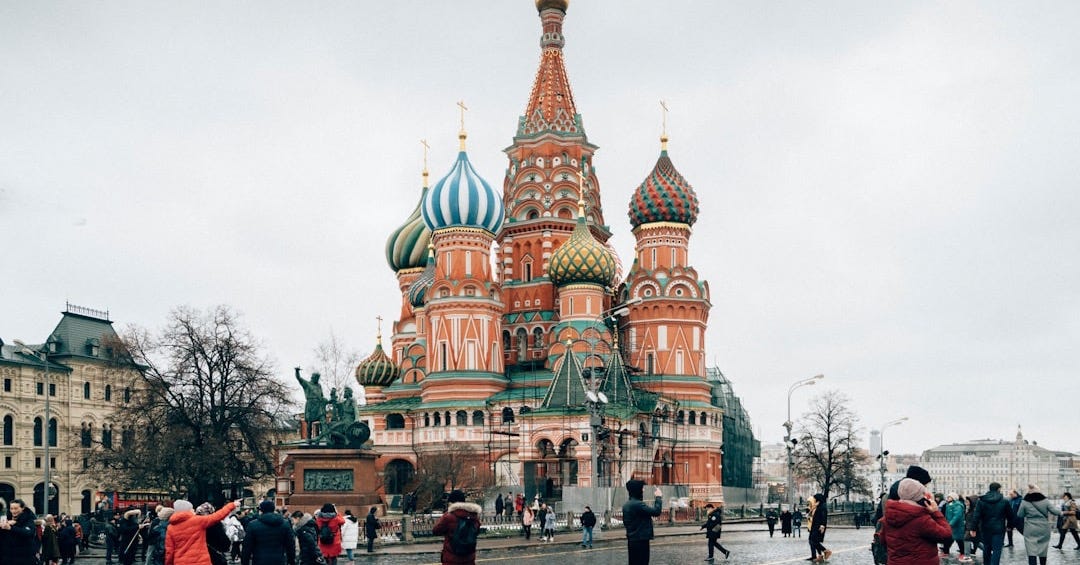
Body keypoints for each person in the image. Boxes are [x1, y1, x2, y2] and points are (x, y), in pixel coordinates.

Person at [880, 478, 951, 565]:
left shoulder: (888, 517)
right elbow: (946, 536)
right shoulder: (922, 520)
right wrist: (935, 512)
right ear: (919, 496)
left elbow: (883, 541)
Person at [165, 499, 240, 565]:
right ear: (187, 510)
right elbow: (217, 516)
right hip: (200, 561)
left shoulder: (170, 528)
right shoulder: (197, 521)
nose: (193, 510)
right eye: (191, 509)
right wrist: (232, 505)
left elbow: (169, 551)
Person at [970, 481, 1015, 565]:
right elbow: (1010, 516)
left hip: (986, 528)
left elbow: (976, 516)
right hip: (999, 529)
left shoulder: (982, 501)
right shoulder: (1004, 501)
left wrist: (973, 528)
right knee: (997, 550)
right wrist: (1009, 526)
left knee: (986, 548)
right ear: (998, 489)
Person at [432, 489, 482, 565]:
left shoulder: (448, 517)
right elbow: (477, 531)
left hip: (452, 559)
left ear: (451, 502)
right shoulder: (473, 516)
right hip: (469, 558)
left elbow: (435, 530)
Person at [240, 500, 295, 565]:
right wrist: (291, 561)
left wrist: (244, 562)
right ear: (273, 509)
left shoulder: (253, 525)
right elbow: (290, 545)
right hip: (278, 560)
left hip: (259, 561)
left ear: (261, 510)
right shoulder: (285, 524)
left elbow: (247, 547)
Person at [621, 479, 663, 565]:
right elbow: (656, 511)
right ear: (637, 490)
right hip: (640, 540)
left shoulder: (627, 505)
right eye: (642, 488)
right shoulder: (638, 505)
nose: (643, 490)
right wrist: (658, 497)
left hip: (633, 540)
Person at [1018, 484, 1061, 565]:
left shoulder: (1024, 501)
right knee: (1043, 548)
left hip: (1030, 527)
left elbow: (1020, 514)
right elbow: (1055, 512)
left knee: (1031, 550)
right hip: (1044, 527)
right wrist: (1064, 512)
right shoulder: (1045, 501)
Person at [0, 499, 38, 565]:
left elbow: (28, 533)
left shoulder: (28, 519)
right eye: (11, 508)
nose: (13, 511)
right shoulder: (6, 518)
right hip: (8, 558)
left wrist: (11, 527)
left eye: (16, 508)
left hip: (24, 558)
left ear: (22, 508)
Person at [942, 492, 968, 560]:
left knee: (959, 540)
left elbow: (957, 516)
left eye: (949, 497)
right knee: (948, 539)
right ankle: (946, 552)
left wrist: (950, 524)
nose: (947, 498)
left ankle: (962, 553)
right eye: (947, 497)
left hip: (957, 526)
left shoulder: (958, 505)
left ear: (953, 498)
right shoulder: (948, 504)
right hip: (950, 525)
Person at [808, 493, 830, 562]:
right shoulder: (818, 505)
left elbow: (824, 516)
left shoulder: (823, 506)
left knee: (813, 541)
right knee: (812, 540)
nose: (814, 499)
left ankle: (825, 551)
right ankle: (817, 556)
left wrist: (822, 525)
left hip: (818, 526)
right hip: (814, 526)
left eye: (815, 498)